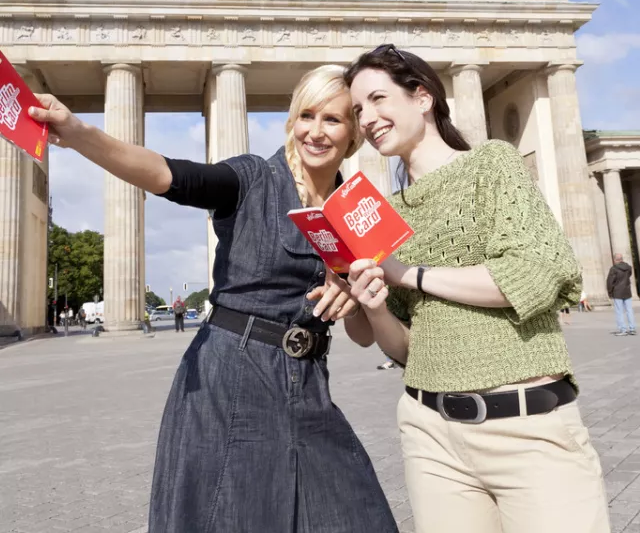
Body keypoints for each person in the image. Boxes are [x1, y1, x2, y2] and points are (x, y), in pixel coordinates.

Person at [28, 65, 398, 533]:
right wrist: (79, 133)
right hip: (233, 375)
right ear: (291, 121)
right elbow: (170, 175)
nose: (316, 132)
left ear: (353, 136)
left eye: (333, 120)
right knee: (234, 518)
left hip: (307, 383)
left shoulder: (358, 213)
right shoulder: (252, 179)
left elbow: (364, 338)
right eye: (306, 115)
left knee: (355, 515)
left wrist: (359, 295)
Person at [342, 45, 610, 533]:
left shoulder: (492, 163)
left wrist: (407, 273)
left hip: (528, 430)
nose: (367, 118)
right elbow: (405, 348)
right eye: (358, 109)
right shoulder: (387, 212)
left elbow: (534, 274)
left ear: (422, 96)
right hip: (431, 436)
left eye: (378, 99)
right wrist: (373, 304)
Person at [607, 253, 637, 336]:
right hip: (627, 291)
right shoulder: (628, 267)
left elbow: (610, 281)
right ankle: (632, 328)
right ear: (622, 259)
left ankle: (623, 329)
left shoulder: (613, 269)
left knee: (619, 311)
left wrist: (610, 292)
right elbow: (629, 275)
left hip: (617, 292)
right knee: (629, 310)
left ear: (615, 260)